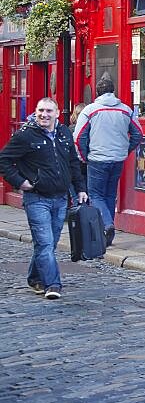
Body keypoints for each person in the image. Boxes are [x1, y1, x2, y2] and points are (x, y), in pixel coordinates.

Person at [0, 98, 88, 300]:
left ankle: (34, 278)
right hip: (37, 198)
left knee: (49, 243)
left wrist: (80, 188)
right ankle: (53, 284)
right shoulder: (25, 135)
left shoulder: (65, 132)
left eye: (49, 111)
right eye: (40, 110)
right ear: (35, 112)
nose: (44, 114)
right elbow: (3, 160)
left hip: (60, 198)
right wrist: (20, 182)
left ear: (57, 113)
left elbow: (73, 162)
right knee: (45, 242)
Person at [73, 78, 143, 246]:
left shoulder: (90, 110)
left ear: (97, 92)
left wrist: (84, 156)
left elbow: (78, 137)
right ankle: (108, 232)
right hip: (117, 159)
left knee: (96, 195)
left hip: (97, 159)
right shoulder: (126, 110)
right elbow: (138, 133)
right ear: (113, 91)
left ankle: (107, 225)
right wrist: (125, 150)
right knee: (110, 194)